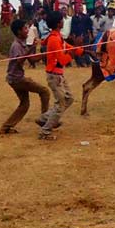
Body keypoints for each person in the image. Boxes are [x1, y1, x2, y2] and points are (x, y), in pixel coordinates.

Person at [0, 19, 50, 135]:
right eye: (25, 29)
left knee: (24, 105)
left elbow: (32, 59)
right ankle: (45, 120)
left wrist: (45, 54)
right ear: (19, 32)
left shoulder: (21, 43)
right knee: (44, 91)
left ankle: (5, 128)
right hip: (17, 79)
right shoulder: (16, 45)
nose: (27, 31)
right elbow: (19, 60)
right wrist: (31, 48)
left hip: (15, 78)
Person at [38, 11, 78, 140]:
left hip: (59, 75)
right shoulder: (54, 39)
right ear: (58, 23)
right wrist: (71, 56)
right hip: (55, 76)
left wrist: (85, 51)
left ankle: (44, 118)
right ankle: (45, 131)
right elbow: (62, 60)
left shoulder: (56, 36)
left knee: (69, 99)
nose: (63, 21)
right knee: (60, 104)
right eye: (61, 20)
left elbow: (68, 46)